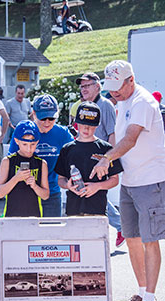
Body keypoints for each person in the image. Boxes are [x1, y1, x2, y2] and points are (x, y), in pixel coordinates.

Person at [90, 59, 165, 301]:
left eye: (117, 87)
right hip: (130, 181)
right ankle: (142, 293)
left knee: (149, 240)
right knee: (131, 237)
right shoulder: (123, 100)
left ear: (131, 80)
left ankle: (151, 300)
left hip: (149, 181)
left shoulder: (142, 101)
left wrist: (106, 158)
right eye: (109, 87)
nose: (113, 92)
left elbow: (130, 139)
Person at [75, 72, 125, 247]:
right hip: (87, 157)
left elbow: (112, 134)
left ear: (98, 86)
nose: (83, 89)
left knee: (97, 194)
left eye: (87, 85)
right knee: (91, 193)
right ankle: (119, 227)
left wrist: (108, 160)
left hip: (100, 159)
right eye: (82, 86)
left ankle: (120, 226)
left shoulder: (105, 105)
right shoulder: (87, 105)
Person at [9, 94, 74, 217]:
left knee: (50, 234)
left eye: (51, 118)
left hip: (51, 192)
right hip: (25, 191)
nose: (47, 122)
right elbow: (10, 161)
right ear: (33, 113)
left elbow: (76, 154)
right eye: (43, 118)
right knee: (27, 234)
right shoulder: (23, 130)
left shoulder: (63, 133)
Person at [54, 101, 123, 216]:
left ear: (97, 125)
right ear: (76, 123)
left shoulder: (106, 149)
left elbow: (114, 179)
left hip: (97, 209)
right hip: (73, 209)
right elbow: (61, 179)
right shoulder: (67, 149)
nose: (86, 129)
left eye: (90, 126)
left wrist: (97, 186)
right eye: (83, 124)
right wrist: (68, 186)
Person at [0, 121, 49, 217]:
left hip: (34, 216)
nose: (29, 149)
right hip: (11, 216)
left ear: (37, 142)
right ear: (17, 141)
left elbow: (45, 195)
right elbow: (0, 193)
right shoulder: (7, 161)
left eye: (32, 144)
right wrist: (16, 178)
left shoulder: (41, 164)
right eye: (25, 144)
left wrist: (35, 186)